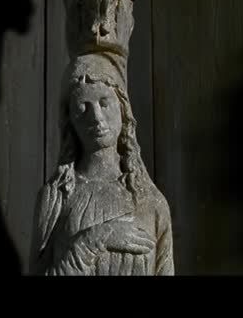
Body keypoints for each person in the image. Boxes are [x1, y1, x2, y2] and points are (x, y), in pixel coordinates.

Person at [29, 52, 174, 275]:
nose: (96, 117)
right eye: (83, 107)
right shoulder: (56, 197)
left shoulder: (152, 202)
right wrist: (93, 241)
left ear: (123, 109)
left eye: (104, 103)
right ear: (70, 120)